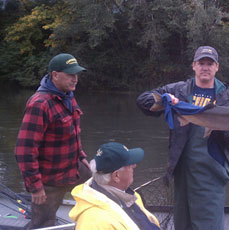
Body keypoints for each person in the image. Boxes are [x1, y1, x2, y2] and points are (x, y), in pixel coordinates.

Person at [136, 46, 229, 230]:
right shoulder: (179, 90)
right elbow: (143, 101)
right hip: (181, 171)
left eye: (210, 63)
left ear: (217, 67)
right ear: (194, 66)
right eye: (201, 63)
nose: (205, 67)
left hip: (211, 174)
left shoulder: (226, 98)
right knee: (183, 224)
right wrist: (165, 100)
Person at [14, 53, 92, 229]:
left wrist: (81, 156)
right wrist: (36, 187)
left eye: (76, 74)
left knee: (98, 189)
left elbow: (73, 133)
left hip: (73, 168)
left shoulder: (67, 96)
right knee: (43, 224)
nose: (75, 79)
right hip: (49, 180)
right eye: (70, 74)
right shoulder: (40, 103)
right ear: (55, 75)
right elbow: (24, 150)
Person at [69, 142, 161, 230]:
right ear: (116, 175)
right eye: (130, 164)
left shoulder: (129, 196)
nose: (134, 166)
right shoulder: (94, 222)